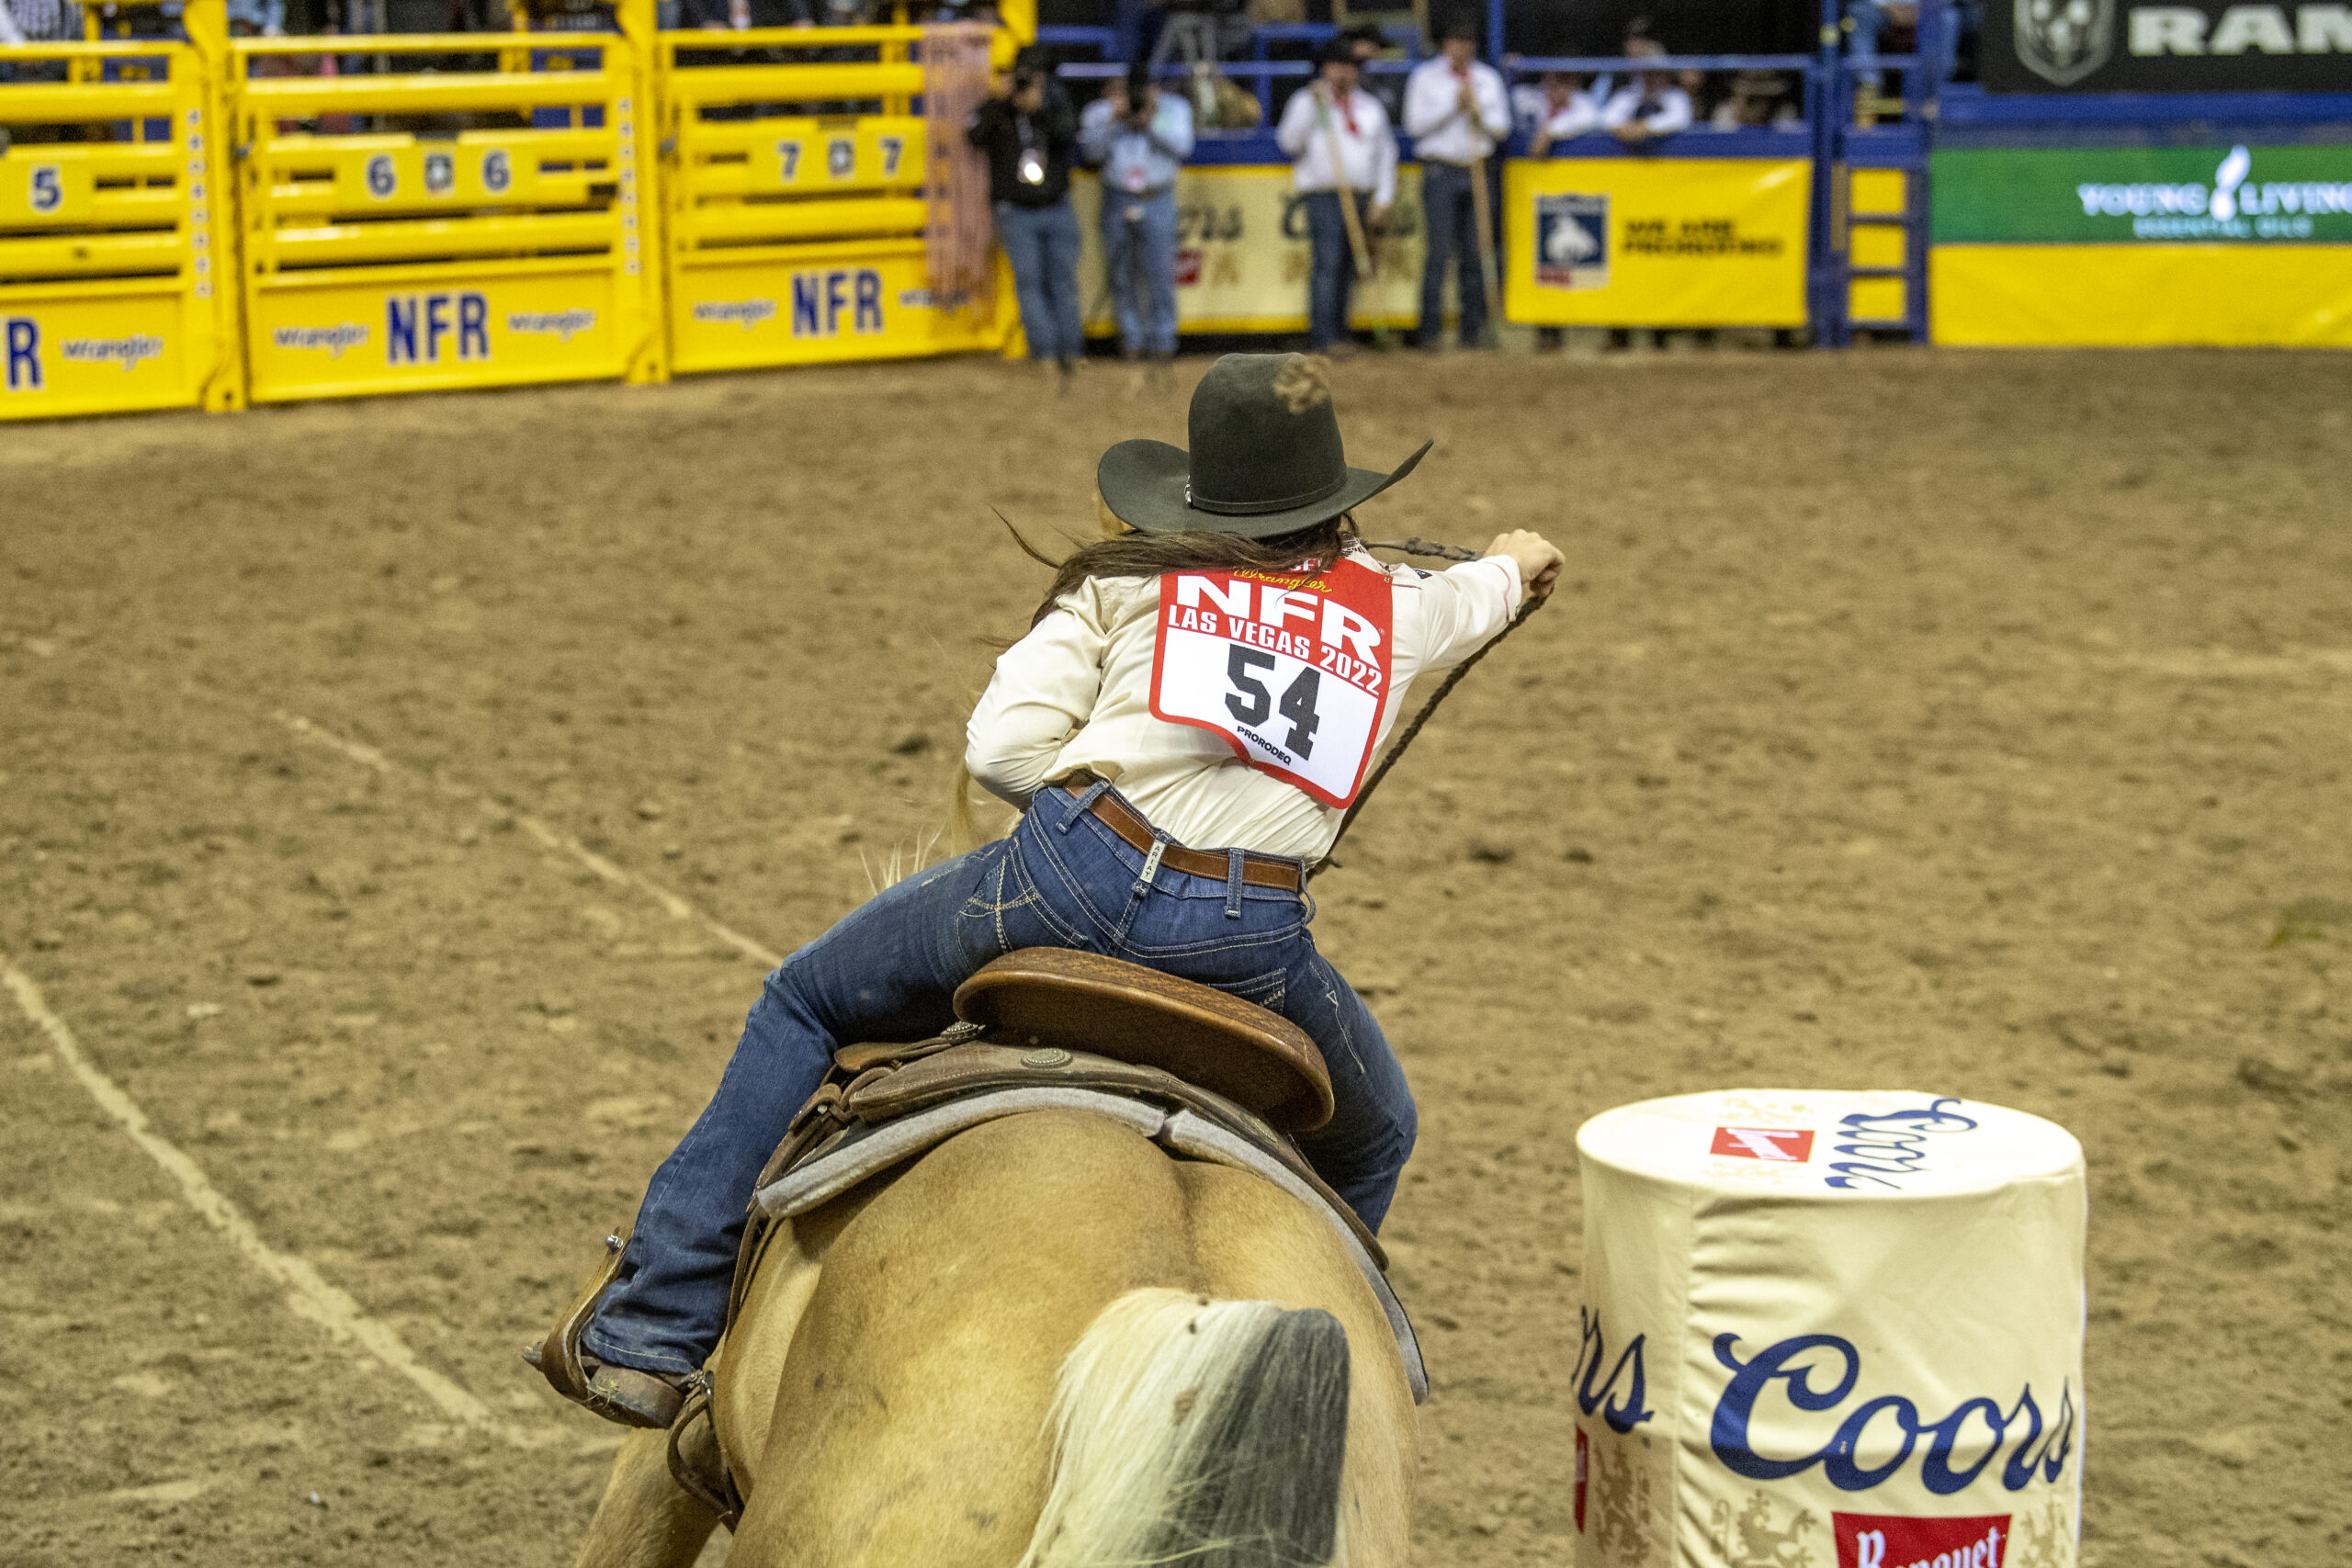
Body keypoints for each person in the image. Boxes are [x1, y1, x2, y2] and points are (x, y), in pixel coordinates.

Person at [531, 351, 1565, 1428]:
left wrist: (1095, 809)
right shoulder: (1399, 609)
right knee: (1378, 1128)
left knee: (807, 998)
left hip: (1070, 873)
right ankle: (1310, 1394)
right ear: (1334, 501)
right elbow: (1489, 588)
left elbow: (999, 752)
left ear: (1203, 496)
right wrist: (1516, 560)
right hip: (1247, 932)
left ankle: (652, 1327)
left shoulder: (1125, 583)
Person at [1273, 37, 1395, 357]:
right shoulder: (1306, 102)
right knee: (1327, 265)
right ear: (1325, 69)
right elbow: (1289, 143)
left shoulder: (1369, 106)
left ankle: (1341, 332)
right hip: (1325, 196)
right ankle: (1323, 337)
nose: (1344, 73)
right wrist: (1314, 108)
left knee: (1349, 265)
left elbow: (1385, 153)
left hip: (1360, 194)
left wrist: (1383, 196)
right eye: (1338, 65)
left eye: (1350, 66)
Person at [968, 47, 1085, 378]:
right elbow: (973, 136)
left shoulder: (1056, 103)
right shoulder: (998, 108)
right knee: (1029, 282)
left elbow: (1068, 135)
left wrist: (1039, 109)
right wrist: (1003, 102)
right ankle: (1044, 353)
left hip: (1056, 205)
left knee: (1062, 281)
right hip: (1016, 211)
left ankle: (1071, 352)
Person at [1402, 15, 1508, 353]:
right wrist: (1453, 106)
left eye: (1469, 42)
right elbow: (1414, 126)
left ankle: (1471, 332)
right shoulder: (1425, 77)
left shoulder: (1487, 79)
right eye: (1458, 41)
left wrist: (1477, 113)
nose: (1463, 48)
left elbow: (1501, 129)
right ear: (1446, 44)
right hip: (1440, 172)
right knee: (1439, 252)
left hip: (1477, 169)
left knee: (1477, 253)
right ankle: (1430, 333)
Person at [1079, 60, 1195, 364]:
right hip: (1118, 198)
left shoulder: (1173, 109)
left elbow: (1184, 147)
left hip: (1158, 197)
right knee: (1121, 273)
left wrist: (1150, 124)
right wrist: (1114, 121)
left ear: (1155, 88)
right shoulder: (1101, 111)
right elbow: (1091, 152)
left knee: (1160, 272)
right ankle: (1131, 340)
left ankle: (1163, 340)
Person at [1601, 39, 1692, 144]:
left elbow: (1681, 118)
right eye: (1647, 72)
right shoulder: (1628, 93)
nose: (1651, 78)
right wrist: (1625, 128)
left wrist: (1646, 126)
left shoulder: (1676, 95)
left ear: (1665, 73)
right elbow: (1607, 118)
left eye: (1656, 73)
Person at [1524, 70, 1602, 154]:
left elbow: (1590, 119)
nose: (1559, 81)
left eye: (1566, 76)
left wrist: (1549, 131)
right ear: (1545, 75)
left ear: (1576, 78)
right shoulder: (1529, 95)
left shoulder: (1584, 101)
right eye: (1556, 75)